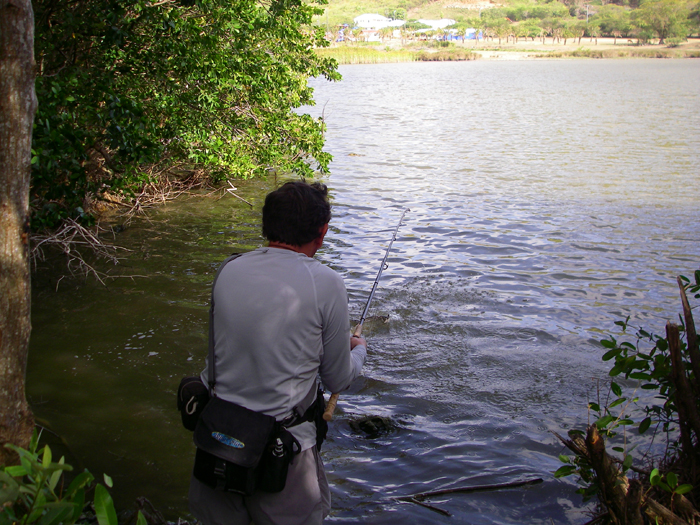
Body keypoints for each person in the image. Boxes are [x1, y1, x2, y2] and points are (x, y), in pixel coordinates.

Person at [189, 181, 367, 525]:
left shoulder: (229, 268)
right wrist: (358, 350)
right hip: (282, 458)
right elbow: (337, 378)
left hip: (216, 446)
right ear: (322, 232)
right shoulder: (327, 282)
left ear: (266, 225)